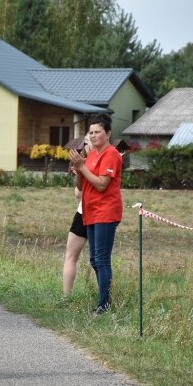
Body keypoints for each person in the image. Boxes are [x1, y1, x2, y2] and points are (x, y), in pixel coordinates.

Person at [69, 113, 122, 315]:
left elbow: (101, 184)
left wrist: (82, 167)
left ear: (107, 133)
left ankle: (104, 305)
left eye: (97, 132)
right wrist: (78, 169)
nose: (93, 136)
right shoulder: (91, 155)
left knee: (101, 258)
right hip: (90, 211)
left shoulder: (111, 154)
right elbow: (81, 186)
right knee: (94, 259)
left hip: (106, 212)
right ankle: (103, 300)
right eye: (90, 132)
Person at [62, 137, 91, 296]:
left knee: (98, 261)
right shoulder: (86, 161)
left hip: (95, 216)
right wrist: (79, 173)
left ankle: (67, 297)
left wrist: (81, 171)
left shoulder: (91, 162)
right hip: (84, 213)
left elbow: (79, 194)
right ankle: (67, 297)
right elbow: (78, 194)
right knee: (72, 256)